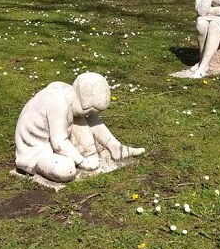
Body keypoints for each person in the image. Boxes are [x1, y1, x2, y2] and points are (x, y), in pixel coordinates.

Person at [14, 72, 145, 183]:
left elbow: (87, 117)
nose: (89, 115)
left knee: (83, 117)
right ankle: (74, 158)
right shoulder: (58, 102)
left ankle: (115, 148)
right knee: (66, 169)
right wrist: (81, 161)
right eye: (89, 111)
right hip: (36, 151)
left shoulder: (69, 94)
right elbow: (59, 142)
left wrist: (112, 144)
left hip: (59, 141)